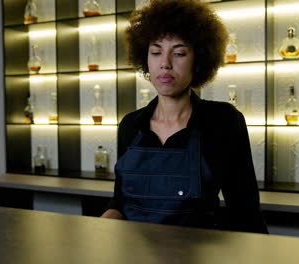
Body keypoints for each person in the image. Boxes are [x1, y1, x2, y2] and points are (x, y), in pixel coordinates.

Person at [101, 0, 268, 234]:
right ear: (145, 60)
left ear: (199, 61)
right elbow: (120, 202)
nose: (165, 64)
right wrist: (98, 229)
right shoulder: (131, 125)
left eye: (179, 53)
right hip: (132, 252)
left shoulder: (223, 121)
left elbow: (245, 210)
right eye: (156, 52)